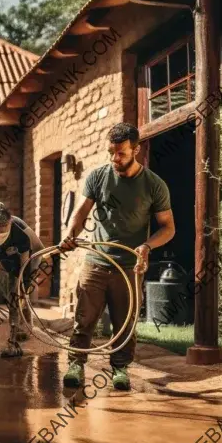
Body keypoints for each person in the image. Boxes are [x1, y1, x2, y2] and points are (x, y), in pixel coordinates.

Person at [59, 123, 175, 390]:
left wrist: (147, 246)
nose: (114, 158)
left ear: (136, 150)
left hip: (129, 267)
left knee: (125, 322)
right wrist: (70, 234)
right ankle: (76, 364)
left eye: (121, 153)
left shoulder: (154, 185)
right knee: (84, 318)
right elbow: (81, 213)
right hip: (97, 262)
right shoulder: (98, 177)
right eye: (111, 152)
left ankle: (120, 369)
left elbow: (168, 228)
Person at [0, 202, 45, 357]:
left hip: (26, 255)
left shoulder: (20, 233)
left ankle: (18, 333)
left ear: (9, 225)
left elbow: (24, 268)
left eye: (2, 233)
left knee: (18, 292)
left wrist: (22, 286)